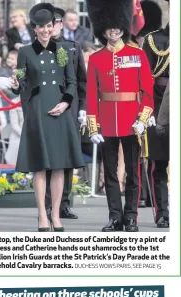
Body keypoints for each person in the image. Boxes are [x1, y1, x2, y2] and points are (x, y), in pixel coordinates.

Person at [86, 0, 154, 232]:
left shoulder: (137, 55)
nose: (113, 30)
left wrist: (142, 120)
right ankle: (115, 217)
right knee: (111, 174)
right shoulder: (96, 59)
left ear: (123, 26)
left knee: (133, 174)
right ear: (102, 29)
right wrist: (94, 127)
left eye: (117, 26)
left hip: (132, 121)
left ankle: (131, 217)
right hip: (107, 123)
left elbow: (147, 91)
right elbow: (92, 96)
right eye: (109, 27)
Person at [14, 3, 83, 231]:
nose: (45, 30)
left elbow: (72, 82)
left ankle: (56, 215)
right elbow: (22, 82)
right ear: (34, 28)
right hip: (38, 112)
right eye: (40, 27)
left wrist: (65, 103)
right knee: (40, 167)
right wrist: (16, 84)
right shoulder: (25, 52)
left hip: (59, 111)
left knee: (60, 166)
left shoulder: (62, 51)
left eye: (48, 26)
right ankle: (42, 216)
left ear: (53, 26)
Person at [45, 6, 87, 221]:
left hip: (69, 109)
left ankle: (64, 204)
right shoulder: (36, 48)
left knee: (68, 157)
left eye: (55, 23)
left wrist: (83, 109)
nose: (51, 27)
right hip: (47, 109)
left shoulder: (73, 47)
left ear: (60, 24)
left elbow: (82, 82)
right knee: (48, 157)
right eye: (47, 23)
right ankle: (47, 204)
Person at [142, 1, 170, 228]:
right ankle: (163, 212)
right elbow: (144, 79)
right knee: (159, 162)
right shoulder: (155, 40)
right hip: (161, 105)